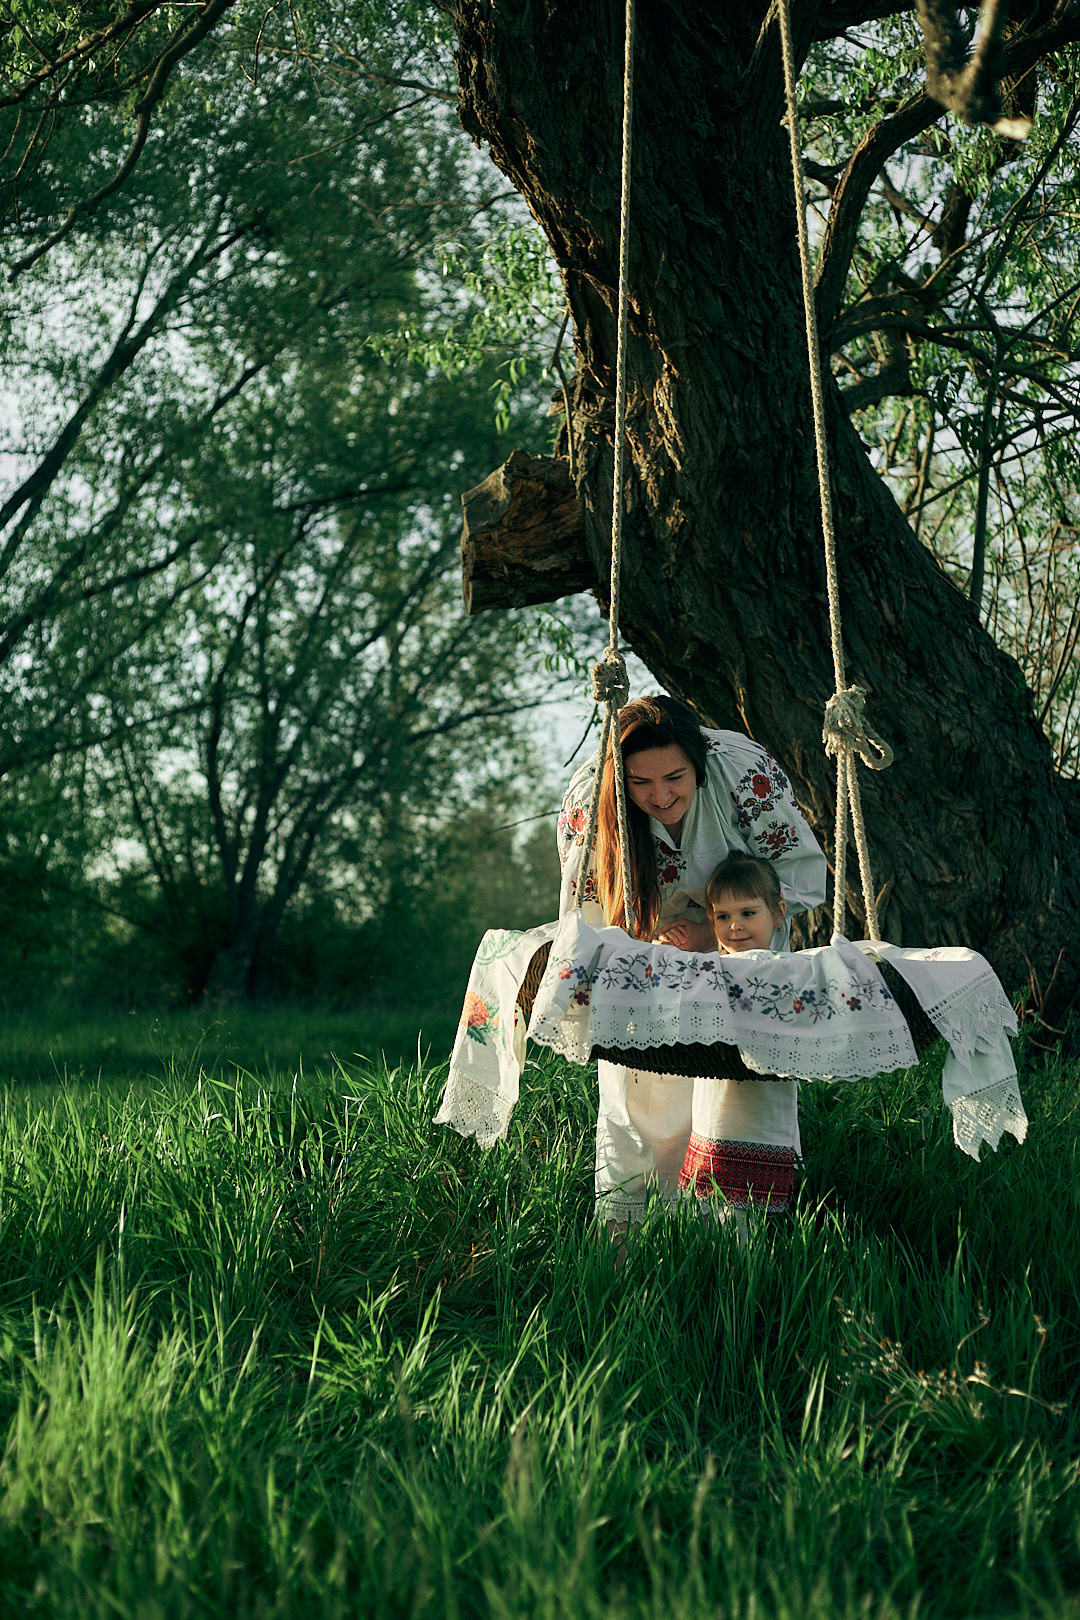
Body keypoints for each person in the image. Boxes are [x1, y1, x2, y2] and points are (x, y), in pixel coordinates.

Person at [557, 696, 826, 1231]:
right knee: (642, 1094)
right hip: (646, 966)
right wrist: (644, 949)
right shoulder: (591, 801)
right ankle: (636, 1243)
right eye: (640, 784)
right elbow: (584, 918)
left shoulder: (743, 772)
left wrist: (713, 932)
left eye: (675, 777)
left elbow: (797, 875)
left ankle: (737, 1245)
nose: (660, 796)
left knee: (737, 1098)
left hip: (742, 960)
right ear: (619, 777)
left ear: (698, 763)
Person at [676, 853, 799, 1223]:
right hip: (716, 1092)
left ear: (777, 913)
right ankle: (713, 1263)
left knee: (756, 1212)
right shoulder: (710, 969)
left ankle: (754, 1267)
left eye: (748, 913)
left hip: (764, 1096)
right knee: (713, 1186)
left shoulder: (787, 969)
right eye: (723, 917)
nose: (735, 927)